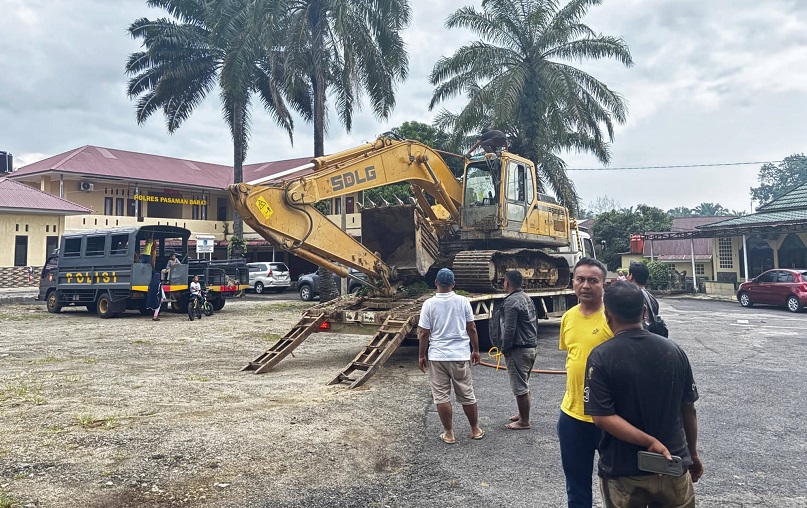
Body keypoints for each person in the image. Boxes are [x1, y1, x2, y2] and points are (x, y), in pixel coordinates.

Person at [584, 281, 702, 507]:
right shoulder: (674, 350)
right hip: (673, 464)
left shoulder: (601, 356)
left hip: (624, 471)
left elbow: (602, 417)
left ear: (607, 315)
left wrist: (650, 442)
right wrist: (692, 454)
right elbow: (688, 408)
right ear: (644, 312)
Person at [558, 257, 613, 508]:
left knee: (617, 484)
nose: (586, 285)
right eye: (580, 279)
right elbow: (572, 356)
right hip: (572, 416)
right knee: (576, 486)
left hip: (610, 417)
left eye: (593, 280)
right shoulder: (568, 317)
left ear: (604, 284)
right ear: (573, 283)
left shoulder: (613, 319)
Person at [418, 268, 484, 444]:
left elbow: (424, 333)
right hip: (459, 355)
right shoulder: (463, 301)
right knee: (467, 394)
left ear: (436, 283)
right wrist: (476, 350)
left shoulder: (429, 304)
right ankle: (475, 429)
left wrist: (421, 355)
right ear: (454, 284)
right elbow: (472, 328)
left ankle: (449, 433)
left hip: (438, 356)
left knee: (442, 397)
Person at [493, 270, 538, 430]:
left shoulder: (511, 302)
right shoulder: (526, 298)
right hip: (531, 347)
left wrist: (505, 348)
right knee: (524, 384)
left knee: (520, 387)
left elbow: (509, 328)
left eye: (503, 280)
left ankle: (524, 421)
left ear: (507, 282)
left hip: (518, 349)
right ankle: (522, 413)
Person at [627, 262, 659, 330]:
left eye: (628, 274)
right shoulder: (653, 299)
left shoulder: (629, 297)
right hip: (650, 337)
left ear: (631, 276)